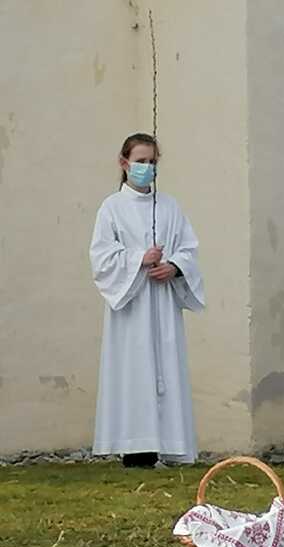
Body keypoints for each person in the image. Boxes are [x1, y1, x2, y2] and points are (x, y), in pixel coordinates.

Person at [90, 133, 205, 467]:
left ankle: (171, 445)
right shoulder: (112, 208)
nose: (147, 167)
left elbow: (189, 248)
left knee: (166, 368)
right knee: (134, 371)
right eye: (140, 161)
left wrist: (175, 267)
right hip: (132, 307)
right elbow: (101, 258)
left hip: (163, 304)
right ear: (124, 163)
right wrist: (139, 259)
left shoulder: (169, 206)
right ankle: (136, 450)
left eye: (152, 162)